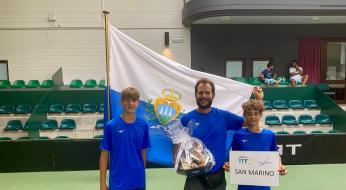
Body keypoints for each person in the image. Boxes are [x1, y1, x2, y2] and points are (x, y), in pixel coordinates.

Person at [174, 78, 263, 190]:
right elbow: (177, 140)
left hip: (218, 177)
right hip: (194, 177)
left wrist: (258, 100)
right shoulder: (186, 119)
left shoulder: (223, 116)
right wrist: (176, 159)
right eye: (200, 92)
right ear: (196, 94)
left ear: (213, 95)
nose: (204, 96)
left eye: (207, 92)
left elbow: (250, 121)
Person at [223, 99, 287, 190]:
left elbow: (275, 155)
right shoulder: (238, 135)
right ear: (244, 115)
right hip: (244, 186)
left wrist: (280, 166)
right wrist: (230, 164)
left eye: (256, 114)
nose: (252, 117)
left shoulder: (270, 135)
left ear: (260, 115)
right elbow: (235, 157)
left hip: (264, 185)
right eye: (249, 114)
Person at [99, 87, 151, 190]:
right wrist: (102, 183)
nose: (130, 103)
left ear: (138, 103)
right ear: (122, 101)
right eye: (127, 100)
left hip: (138, 182)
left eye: (134, 100)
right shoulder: (111, 126)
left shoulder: (143, 125)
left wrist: (141, 175)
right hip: (118, 183)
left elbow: (143, 152)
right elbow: (104, 154)